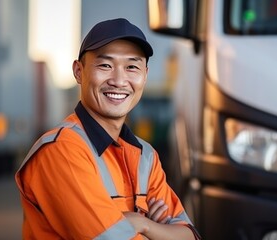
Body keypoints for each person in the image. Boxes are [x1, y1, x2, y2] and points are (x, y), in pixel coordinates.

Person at [15, 18, 201, 240]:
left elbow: (191, 236)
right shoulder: (61, 151)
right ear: (78, 72)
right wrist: (162, 231)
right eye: (105, 65)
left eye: (132, 66)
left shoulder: (146, 156)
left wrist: (143, 224)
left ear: (145, 75)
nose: (119, 80)